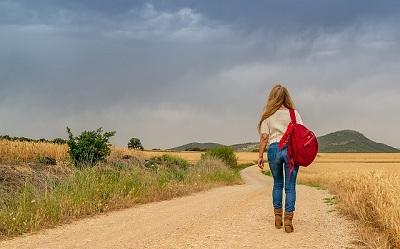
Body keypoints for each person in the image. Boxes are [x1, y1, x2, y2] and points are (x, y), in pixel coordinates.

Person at [257, 84, 303, 233]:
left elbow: (264, 138)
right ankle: (288, 220)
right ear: (286, 96)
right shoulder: (293, 113)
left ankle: (278, 218)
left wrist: (260, 156)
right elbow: (302, 133)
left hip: (274, 150)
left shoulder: (268, 115)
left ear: (272, 97)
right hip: (290, 151)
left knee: (277, 184)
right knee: (290, 187)